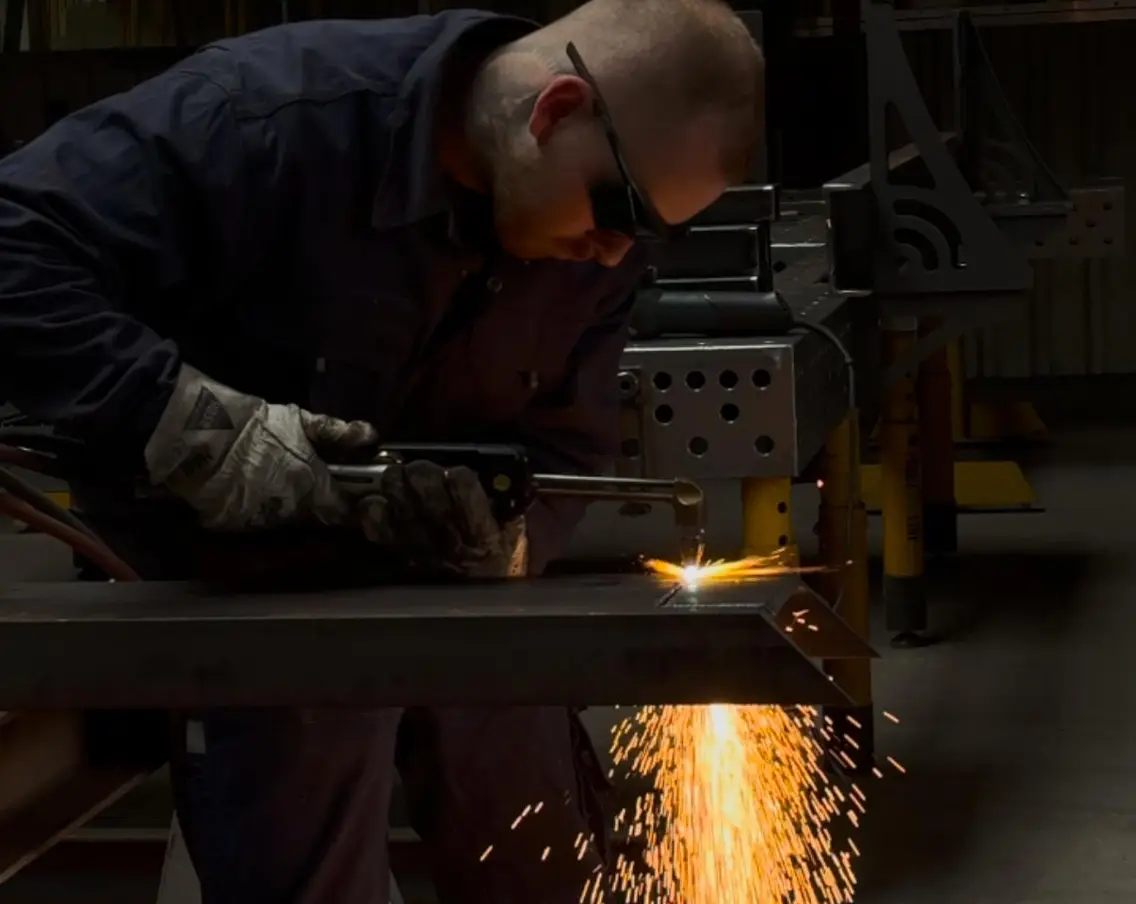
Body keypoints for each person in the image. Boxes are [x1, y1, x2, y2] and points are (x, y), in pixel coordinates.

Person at [0, 1, 764, 901]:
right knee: (307, 840)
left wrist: (509, 538)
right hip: (254, 595)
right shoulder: (266, 120)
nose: (612, 254)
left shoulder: (592, 249)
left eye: (650, 233)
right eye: (620, 209)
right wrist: (186, 424)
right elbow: (12, 243)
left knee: (542, 854)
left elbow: (567, 440)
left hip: (455, 600)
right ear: (555, 110)